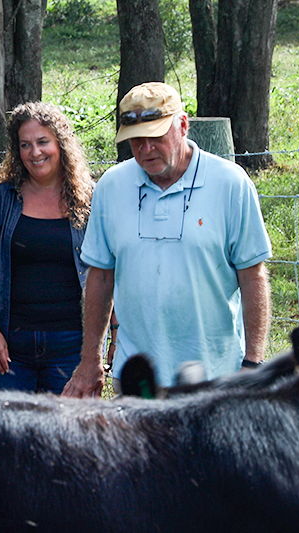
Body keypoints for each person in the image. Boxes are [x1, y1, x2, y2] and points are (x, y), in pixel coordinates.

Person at [62, 82, 272, 398]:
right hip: (139, 378)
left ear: (183, 125)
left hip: (216, 375)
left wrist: (252, 364)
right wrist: (91, 357)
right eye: (136, 141)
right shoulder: (111, 187)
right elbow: (101, 277)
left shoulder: (230, 184)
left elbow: (252, 275)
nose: (146, 149)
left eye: (156, 136)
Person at [0, 101, 98, 393]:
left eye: (43, 142)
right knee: (5, 435)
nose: (35, 152)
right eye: (25, 145)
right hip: (10, 346)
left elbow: (107, 270)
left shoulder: (91, 200)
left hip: (72, 345)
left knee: (69, 435)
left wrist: (107, 338)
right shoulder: (1, 200)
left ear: (61, 144)